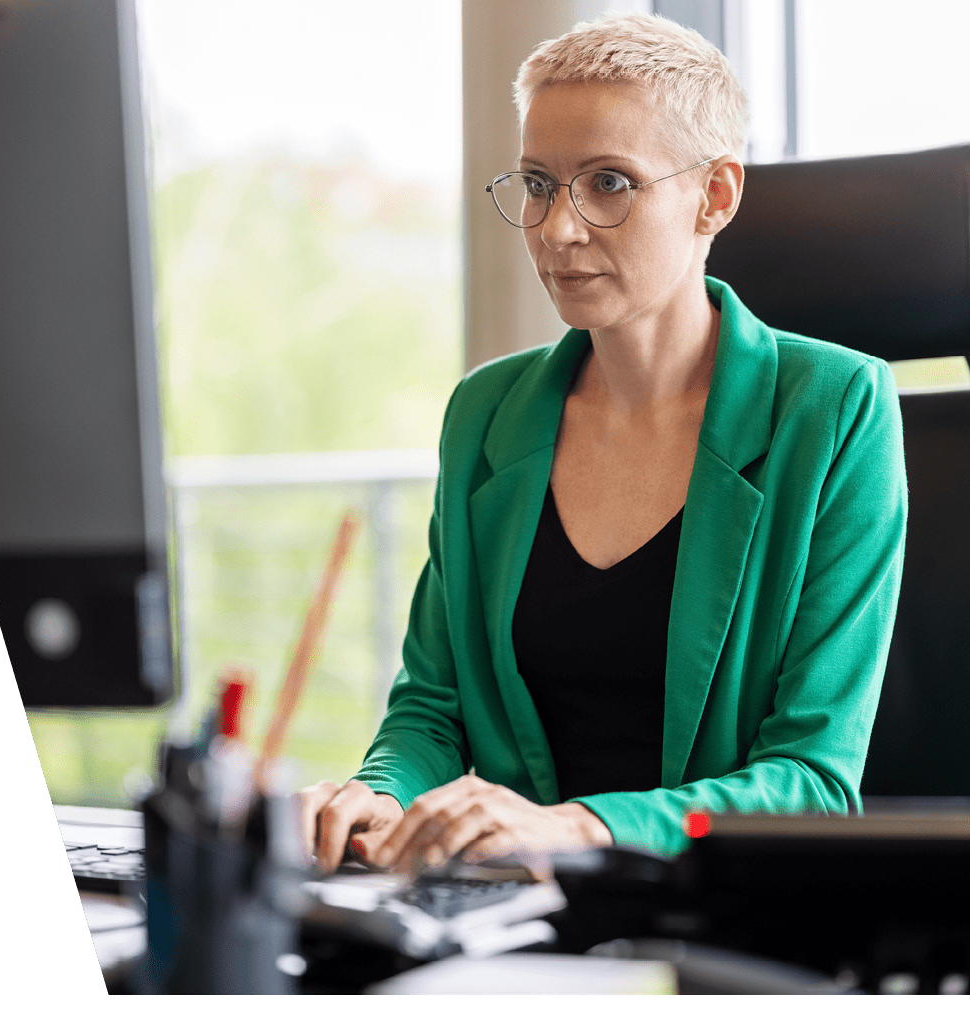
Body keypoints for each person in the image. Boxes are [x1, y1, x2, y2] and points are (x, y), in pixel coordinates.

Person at [295, 14, 904, 871]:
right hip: (510, 913)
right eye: (539, 184)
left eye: (609, 183)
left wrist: (580, 827)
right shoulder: (486, 413)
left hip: (721, 916)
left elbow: (812, 782)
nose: (557, 229)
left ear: (716, 195)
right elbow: (434, 710)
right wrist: (379, 793)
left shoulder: (836, 408)